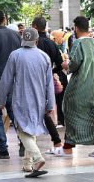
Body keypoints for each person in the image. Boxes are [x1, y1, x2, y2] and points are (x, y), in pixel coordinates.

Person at [0, 28, 54, 177]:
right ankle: (27, 165)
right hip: (39, 100)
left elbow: (6, 80)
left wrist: (1, 100)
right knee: (32, 128)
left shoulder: (15, 55)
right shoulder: (44, 57)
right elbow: (50, 85)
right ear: (36, 40)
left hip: (21, 99)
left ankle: (37, 157)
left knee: (22, 130)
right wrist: (50, 105)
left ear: (23, 39)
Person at [61, 16, 94, 157]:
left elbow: (74, 64)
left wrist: (66, 65)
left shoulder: (78, 44)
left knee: (70, 109)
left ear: (76, 28)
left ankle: (68, 147)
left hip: (81, 84)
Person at [31, 16, 65, 154]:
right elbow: (60, 63)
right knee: (45, 110)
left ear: (34, 26)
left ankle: (25, 144)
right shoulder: (51, 44)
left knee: (28, 109)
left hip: (32, 81)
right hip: (47, 81)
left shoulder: (32, 43)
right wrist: (51, 72)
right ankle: (56, 140)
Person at [0, 10, 22, 159]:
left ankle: (3, 148)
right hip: (14, 82)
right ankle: (24, 142)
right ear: (4, 19)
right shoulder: (16, 35)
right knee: (15, 113)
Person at [50, 30, 68, 127]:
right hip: (57, 75)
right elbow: (59, 63)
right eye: (62, 37)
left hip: (58, 75)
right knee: (59, 98)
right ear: (56, 37)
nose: (63, 39)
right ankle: (60, 119)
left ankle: (61, 118)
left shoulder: (56, 46)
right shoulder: (53, 46)